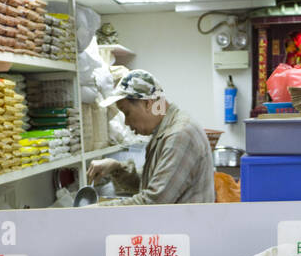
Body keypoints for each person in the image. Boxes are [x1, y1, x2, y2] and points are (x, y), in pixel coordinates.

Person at [86, 70, 214, 206]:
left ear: (148, 103)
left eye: (127, 113)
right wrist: (116, 167)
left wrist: (95, 211)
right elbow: (153, 181)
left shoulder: (180, 136)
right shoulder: (165, 130)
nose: (126, 123)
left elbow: (154, 201)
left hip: (183, 226)